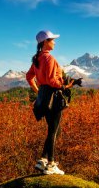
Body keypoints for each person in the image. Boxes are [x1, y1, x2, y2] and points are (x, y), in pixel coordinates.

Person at [26, 30, 74, 175]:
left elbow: (29, 76)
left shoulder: (37, 58)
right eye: (52, 39)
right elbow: (53, 81)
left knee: (55, 130)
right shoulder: (49, 59)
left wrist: (38, 91)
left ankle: (43, 160)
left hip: (44, 98)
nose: (54, 42)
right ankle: (51, 164)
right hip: (53, 97)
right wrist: (66, 86)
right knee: (54, 130)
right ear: (45, 42)